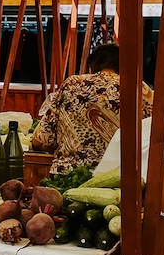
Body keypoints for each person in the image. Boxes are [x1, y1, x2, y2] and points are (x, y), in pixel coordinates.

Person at [31, 42, 153, 175]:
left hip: (69, 174)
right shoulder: (140, 89)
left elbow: (43, 137)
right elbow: (154, 135)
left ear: (92, 66)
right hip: (119, 177)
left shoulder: (72, 84)